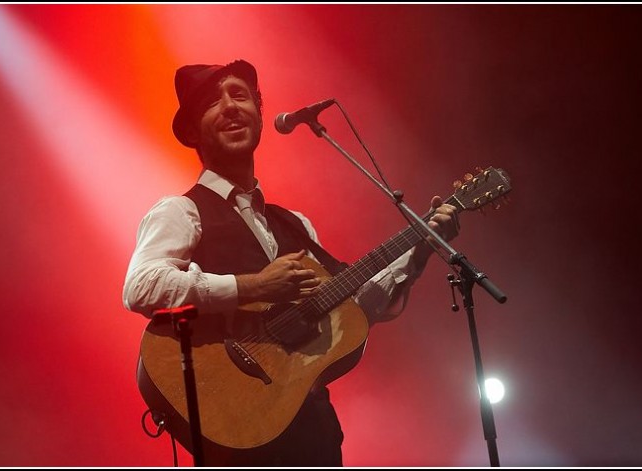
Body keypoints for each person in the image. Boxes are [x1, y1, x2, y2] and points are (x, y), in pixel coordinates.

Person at [123, 59, 460, 466]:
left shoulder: (294, 224)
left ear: (260, 116)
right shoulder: (180, 211)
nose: (231, 106)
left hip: (313, 437)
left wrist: (420, 248)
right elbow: (141, 286)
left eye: (241, 96)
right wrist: (253, 287)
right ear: (193, 131)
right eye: (213, 101)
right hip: (235, 431)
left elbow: (349, 314)